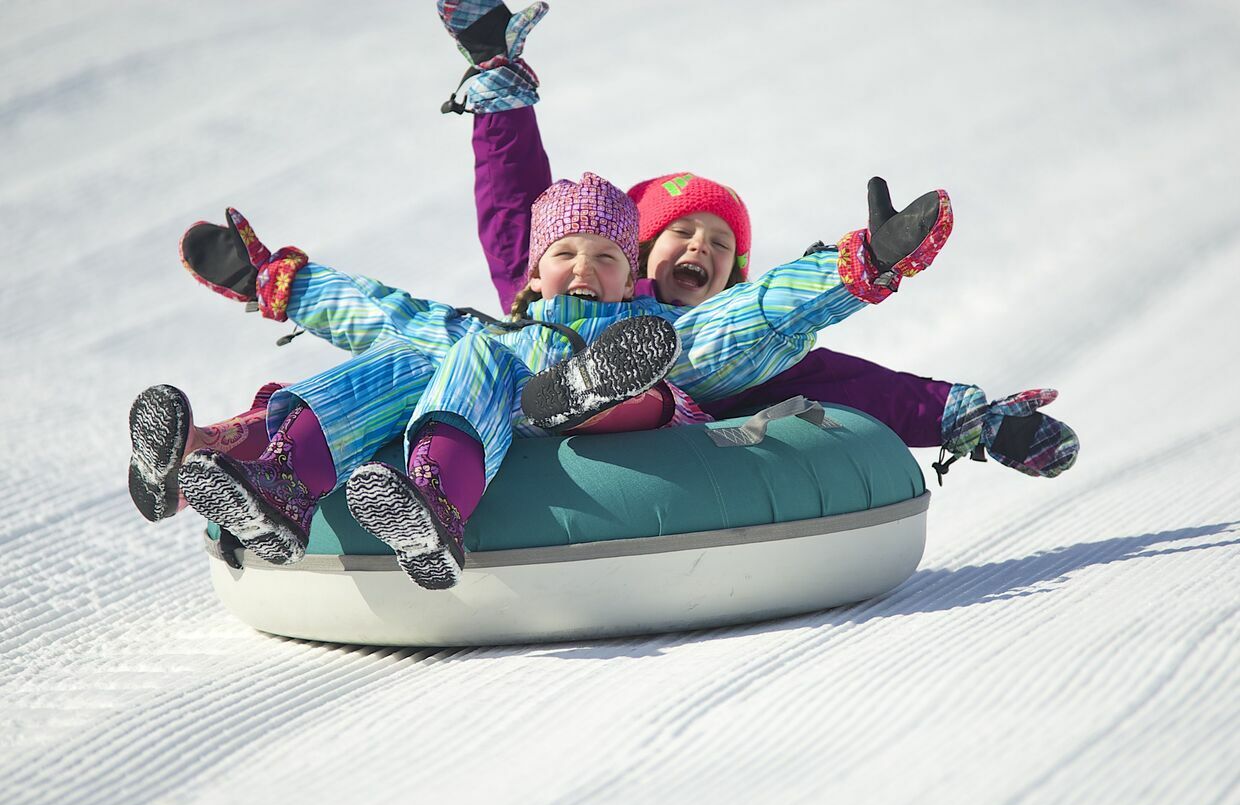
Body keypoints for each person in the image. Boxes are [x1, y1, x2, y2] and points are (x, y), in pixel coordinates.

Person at [154, 169, 949, 590]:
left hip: (643, 412)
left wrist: (861, 263)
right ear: (533, 276)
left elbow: (752, 319)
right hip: (517, 405)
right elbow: (381, 312)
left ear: (628, 273)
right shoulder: (498, 332)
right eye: (566, 254)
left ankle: (575, 404)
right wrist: (280, 282)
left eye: (607, 258)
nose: (586, 268)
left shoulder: (665, 326)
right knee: (417, 355)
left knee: (652, 364)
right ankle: (297, 482)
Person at [438, 0, 1079, 483]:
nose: (700, 249)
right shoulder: (568, 289)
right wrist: (496, 79)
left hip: (676, 445)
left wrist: (979, 422)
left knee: (753, 349)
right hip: (537, 428)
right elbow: (514, 207)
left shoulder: (749, 349)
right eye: (680, 234)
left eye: (721, 246)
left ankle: (866, 268)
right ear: (629, 254)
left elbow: (866, 389)